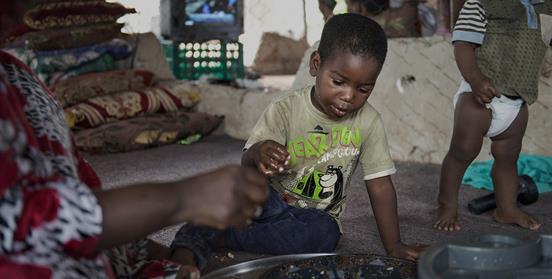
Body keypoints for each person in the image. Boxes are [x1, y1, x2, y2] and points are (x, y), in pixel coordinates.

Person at [0, 1, 268, 278]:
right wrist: (181, 198)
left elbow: (75, 193)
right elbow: (23, 222)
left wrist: (151, 256)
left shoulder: (18, 77)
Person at [170, 14, 425, 271]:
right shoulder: (285, 109)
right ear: (316, 64)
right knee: (234, 187)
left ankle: (227, 234)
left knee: (325, 235)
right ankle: (199, 233)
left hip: (311, 218)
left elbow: (380, 185)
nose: (348, 96)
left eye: (363, 89)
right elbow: (247, 162)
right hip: (268, 203)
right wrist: (259, 152)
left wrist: (394, 245)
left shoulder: (368, 121)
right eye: (338, 82)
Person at [434, 0, 552, 232]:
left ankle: (506, 209)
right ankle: (446, 205)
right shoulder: (482, 3)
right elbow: (463, 43)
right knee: (462, 153)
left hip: (517, 101)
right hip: (478, 95)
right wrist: (476, 80)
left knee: (508, 159)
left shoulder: (546, 6)